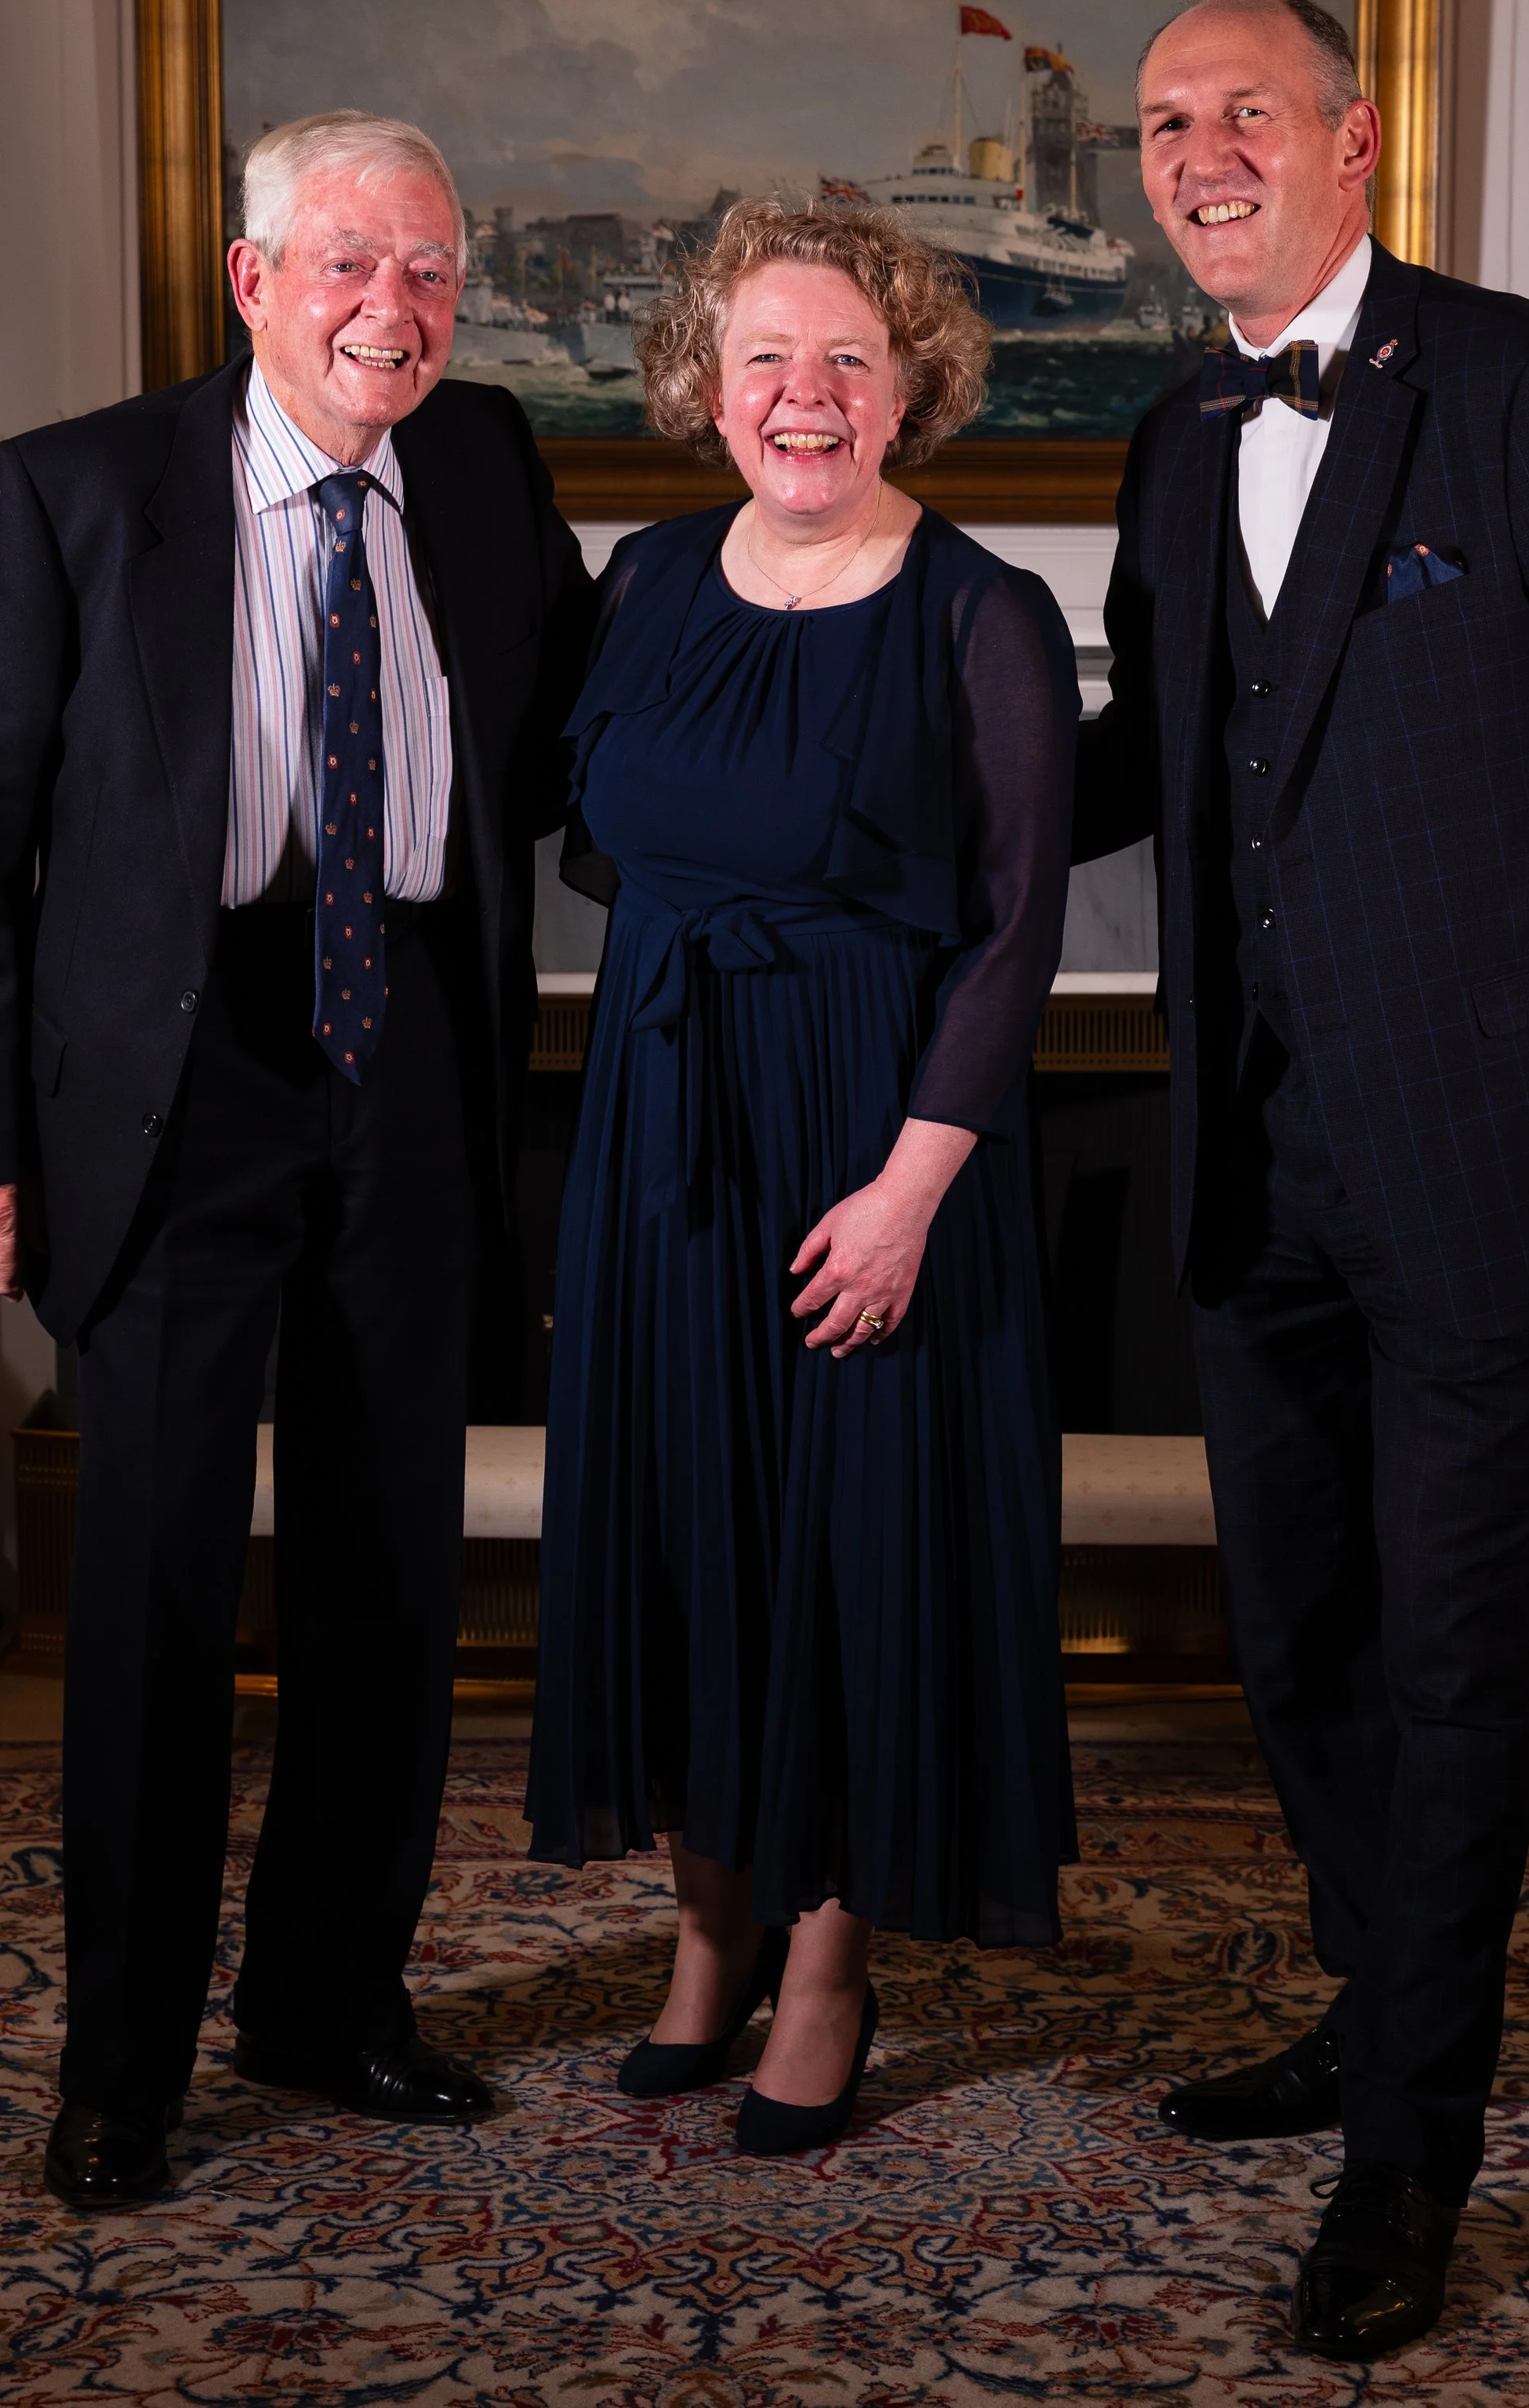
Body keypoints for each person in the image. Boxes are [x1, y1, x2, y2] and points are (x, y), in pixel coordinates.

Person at [1077, 0, 1529, 2359]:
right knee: (1299, 1627)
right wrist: (884, 748)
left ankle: (1412, 2149)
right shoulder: (1175, 431)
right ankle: (1366, 1997)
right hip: (1254, 1141)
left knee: (1450, 1651)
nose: (1197, 151)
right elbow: (1161, 755)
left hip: (1477, 1143)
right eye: (1162, 122)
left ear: (1354, 139)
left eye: (1243, 112)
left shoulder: (1516, 385)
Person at [0, 111, 595, 2210]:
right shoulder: (72, 490)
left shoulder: (481, 462)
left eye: (431, 271)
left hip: (410, 1064)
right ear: (253, 280)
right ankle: (120, 2067)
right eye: (349, 264)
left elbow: (580, 745)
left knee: (390, 1578)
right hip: (172, 1083)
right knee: (155, 1593)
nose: (394, 307)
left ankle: (326, 2002)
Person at [525, 198, 1078, 2154]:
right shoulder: (648, 578)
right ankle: (708, 1935)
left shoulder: (979, 615)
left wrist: (911, 1189)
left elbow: (1013, 928)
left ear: (911, 386)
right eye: (764, 357)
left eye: (848, 357)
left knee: (849, 1557)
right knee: (684, 1528)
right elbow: (603, 844)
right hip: (663, 1128)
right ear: (705, 384)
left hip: (874, 1140)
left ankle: (828, 1966)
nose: (804, 394)